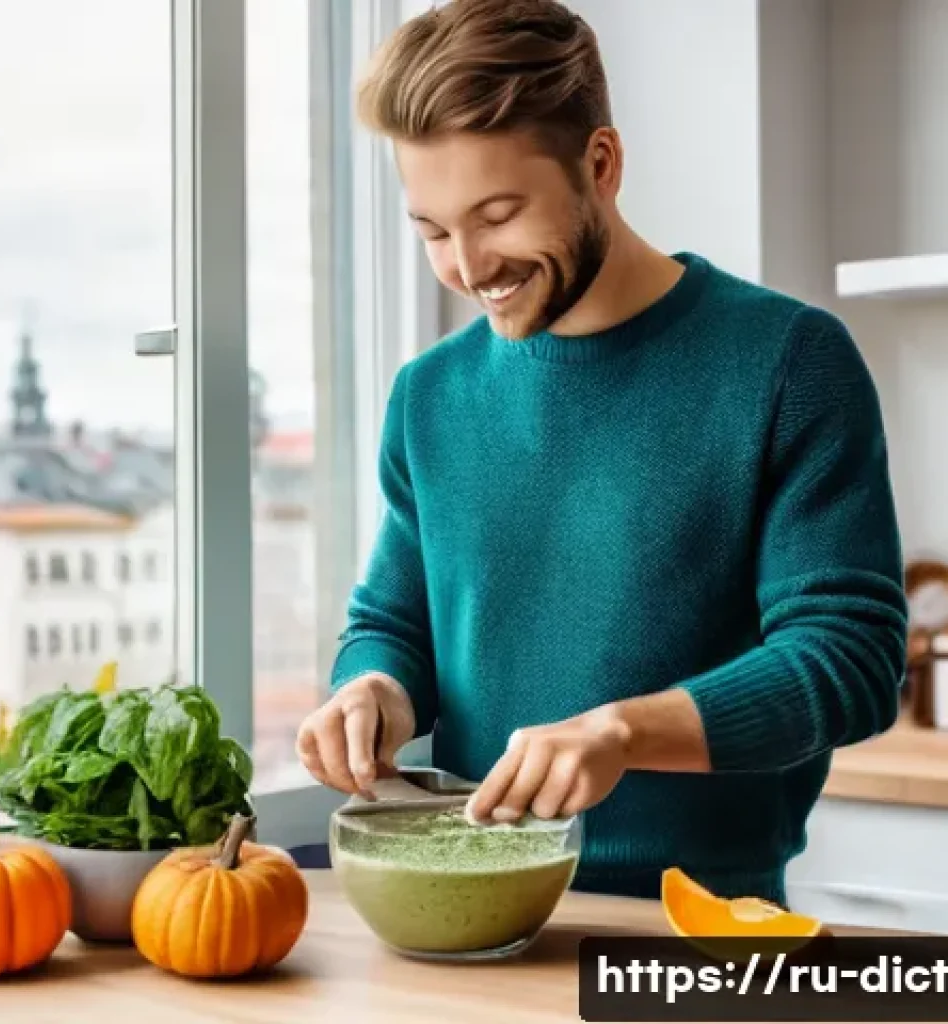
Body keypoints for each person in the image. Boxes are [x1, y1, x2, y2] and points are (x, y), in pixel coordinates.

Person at [295, 0, 907, 905]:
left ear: (602, 165)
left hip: (694, 930)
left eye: (497, 214)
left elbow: (849, 660)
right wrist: (373, 689)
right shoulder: (430, 397)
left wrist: (623, 732)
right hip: (474, 917)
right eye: (431, 230)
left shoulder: (788, 364)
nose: (467, 266)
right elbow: (395, 623)